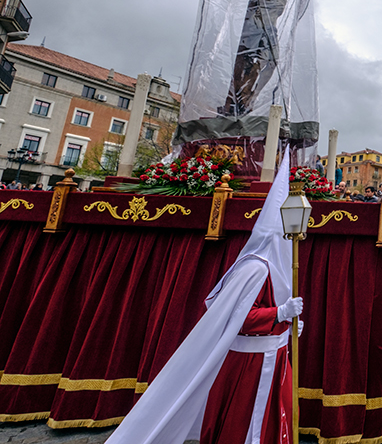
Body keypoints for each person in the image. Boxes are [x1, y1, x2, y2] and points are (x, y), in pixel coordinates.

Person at [106, 153, 303, 444]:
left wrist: (289, 325)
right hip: (250, 363)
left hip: (274, 357)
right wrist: (280, 313)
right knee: (243, 422)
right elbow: (239, 318)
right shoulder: (255, 268)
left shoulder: (278, 269)